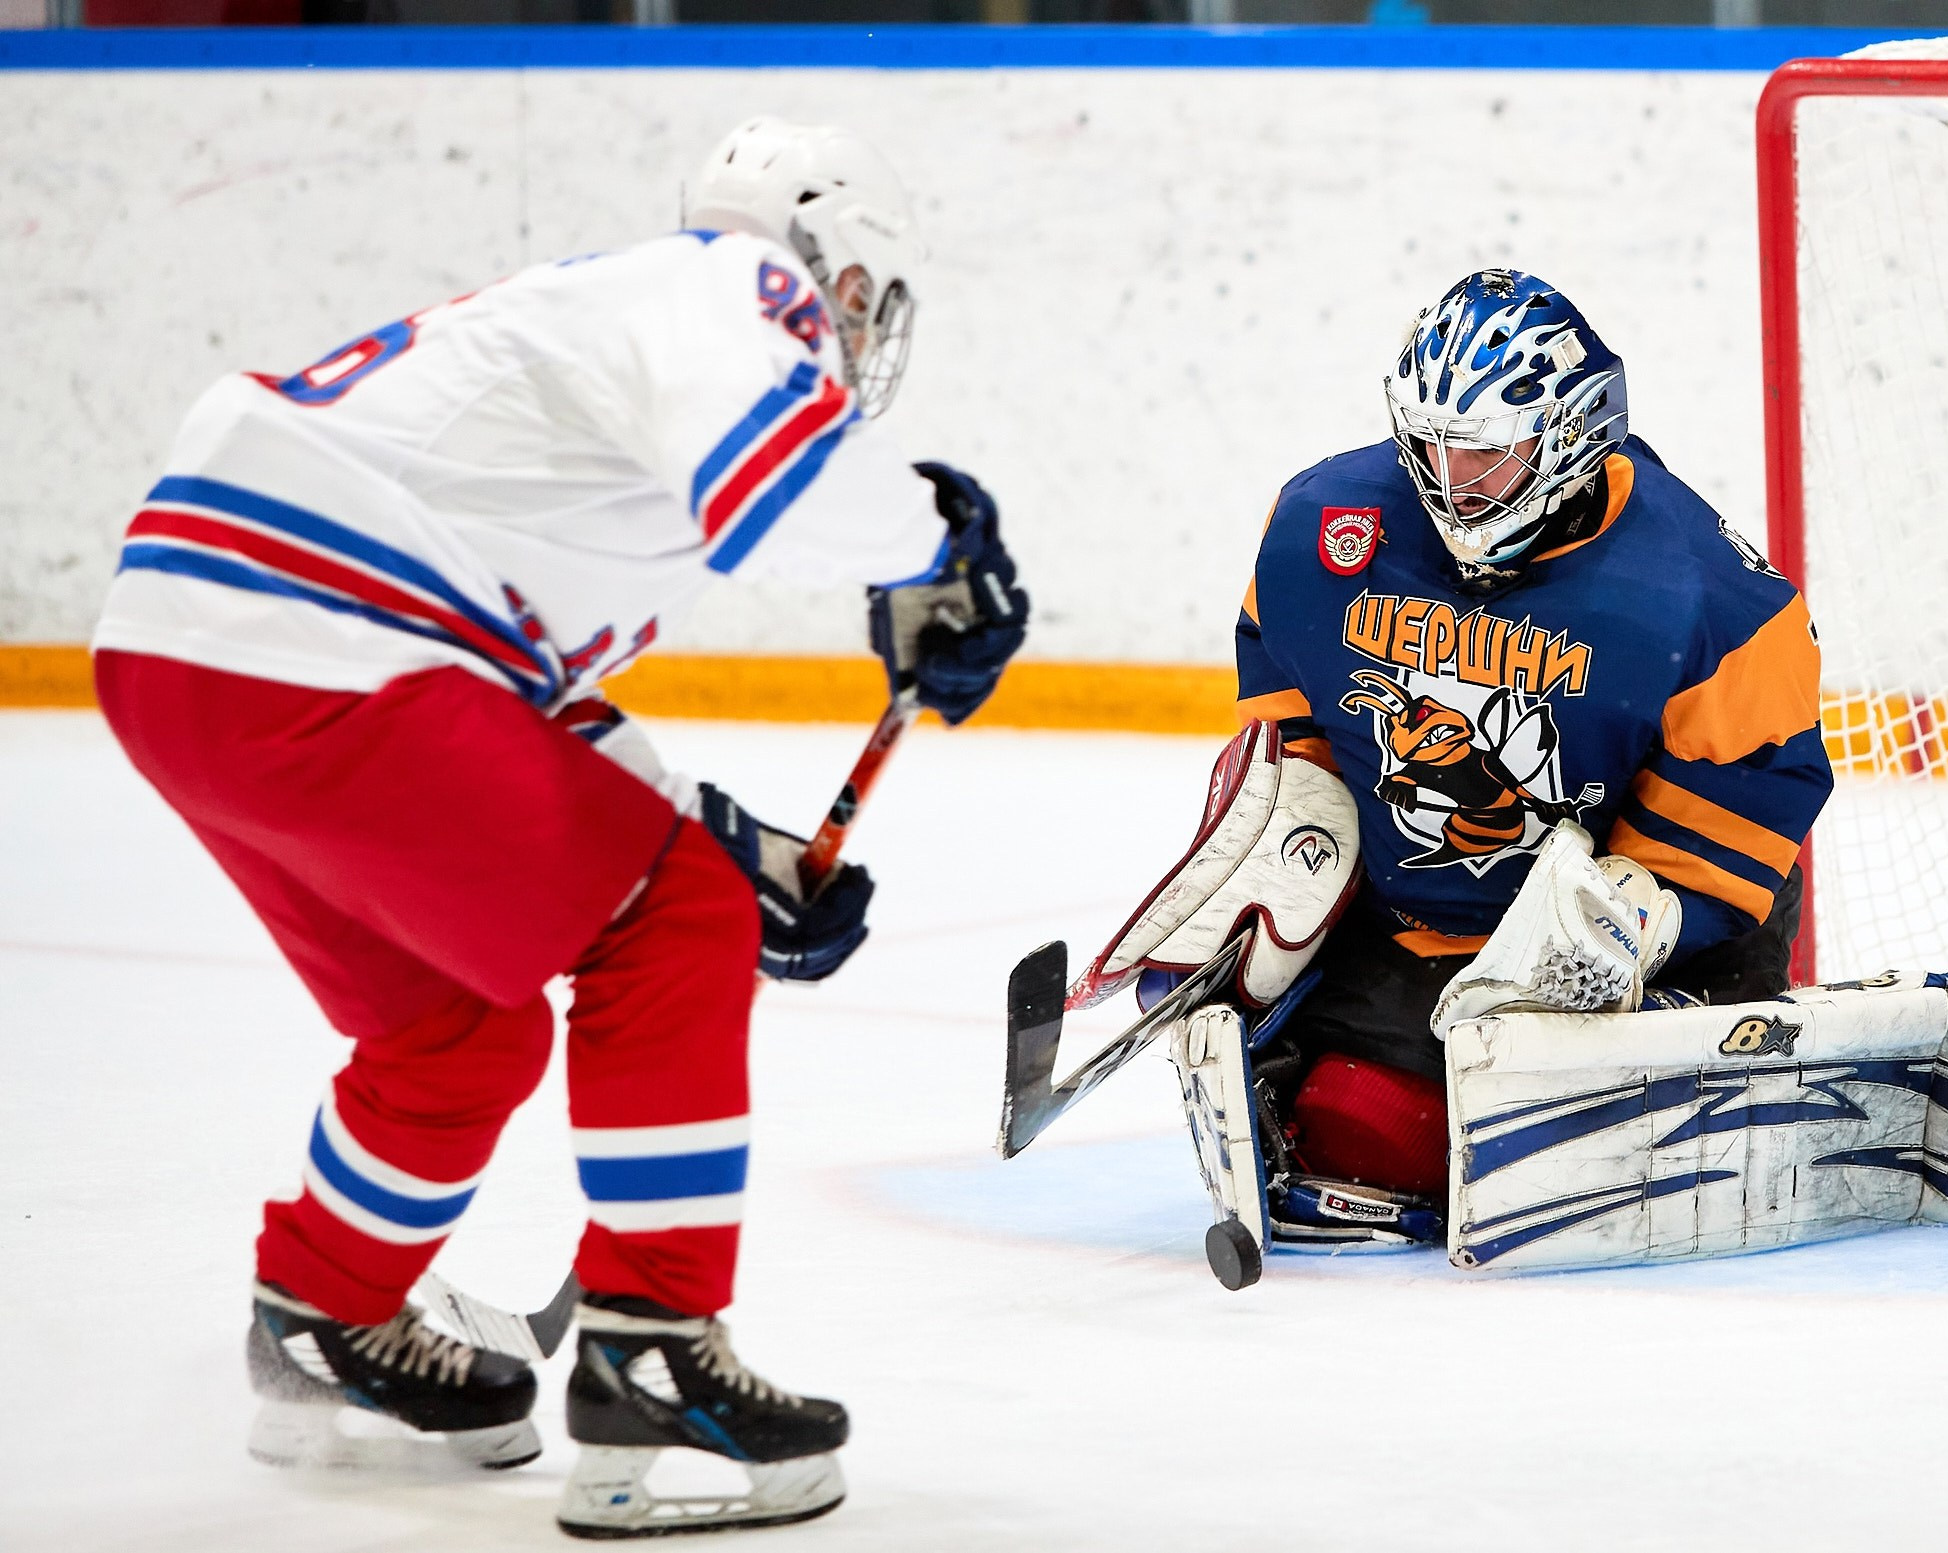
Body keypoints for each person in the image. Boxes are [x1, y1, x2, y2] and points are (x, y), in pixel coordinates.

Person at [90, 118, 1028, 1537]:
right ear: (833, 267)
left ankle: (323, 1310)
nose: (845, 331)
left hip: (188, 653)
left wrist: (725, 835)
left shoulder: (607, 358)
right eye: (851, 301)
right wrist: (943, 543)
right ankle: (652, 1341)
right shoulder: (730, 290)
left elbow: (510, 690)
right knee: (678, 918)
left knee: (460, 1023)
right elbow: (787, 497)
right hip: (312, 635)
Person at [1077, 269, 1829, 1271]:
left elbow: (1744, 805)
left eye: (1484, 456)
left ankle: (1692, 1035)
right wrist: (1292, 834)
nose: (1449, 483)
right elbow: (1290, 698)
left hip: (1655, 934)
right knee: (1357, 1131)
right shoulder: (1324, 523)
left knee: (1575, 1157)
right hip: (1423, 926)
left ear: (1573, 433)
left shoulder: (1715, 599)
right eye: (1427, 448)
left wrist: (1638, 916)